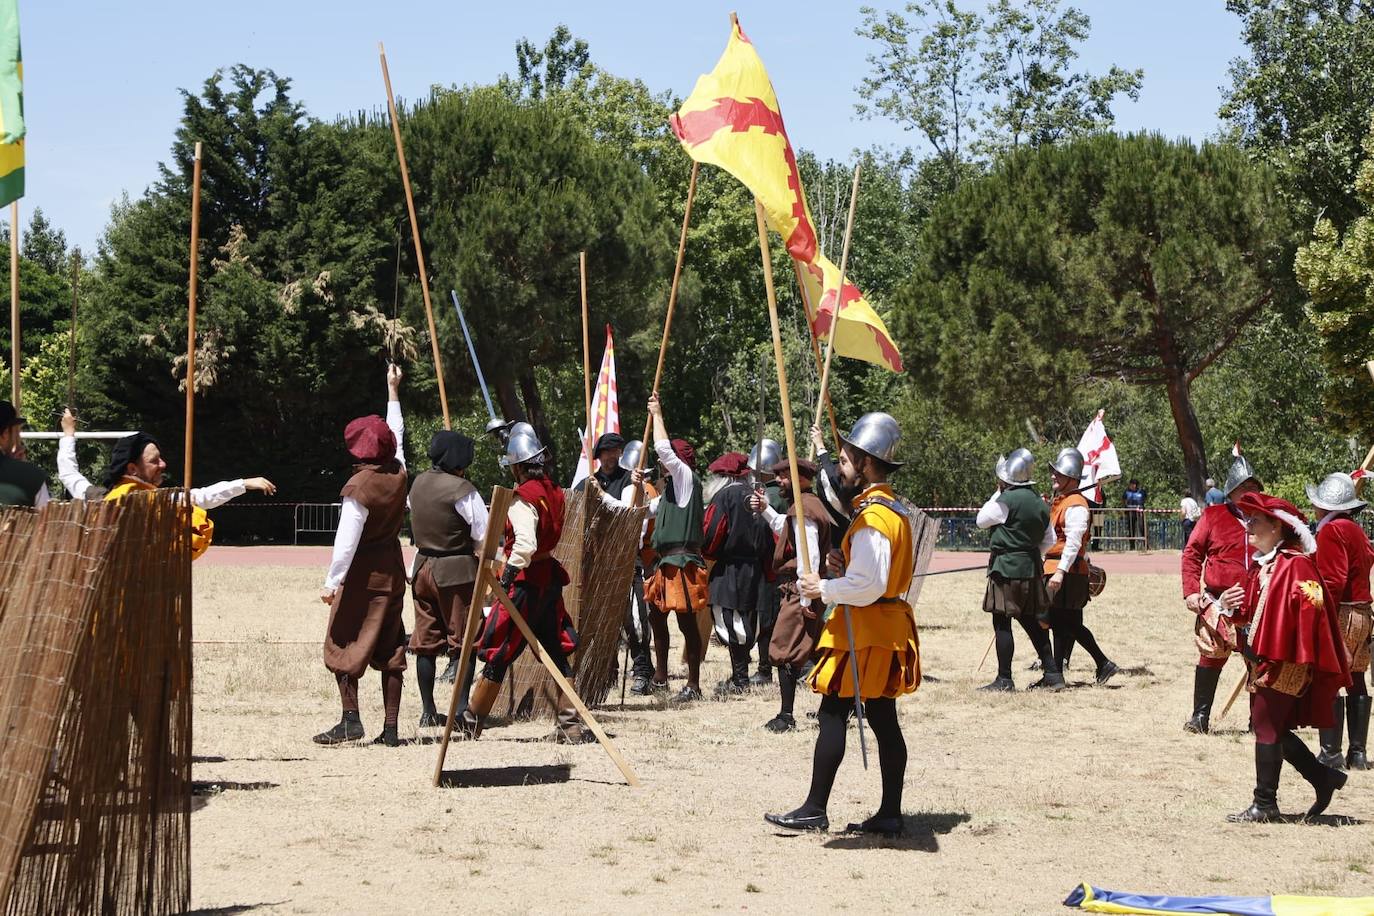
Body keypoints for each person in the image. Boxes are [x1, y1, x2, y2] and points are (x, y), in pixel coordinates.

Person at [764, 412, 918, 836]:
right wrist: (842, 566)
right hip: (879, 627)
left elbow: (868, 585)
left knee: (833, 711)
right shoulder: (888, 510)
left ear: (866, 463)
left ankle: (817, 808)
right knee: (882, 717)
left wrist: (824, 587)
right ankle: (888, 813)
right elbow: (869, 574)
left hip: (867, 628)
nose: (841, 468)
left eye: (847, 460)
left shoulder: (874, 518)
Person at [459, 422, 592, 744]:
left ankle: (471, 720)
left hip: (526, 583)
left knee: (500, 650)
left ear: (518, 467)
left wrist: (505, 579)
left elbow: (524, 546)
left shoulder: (524, 497)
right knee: (557, 652)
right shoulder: (554, 491)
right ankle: (569, 724)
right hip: (547, 582)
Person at [1225, 492, 1350, 822]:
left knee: (1266, 726)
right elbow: (1250, 613)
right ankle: (1324, 778)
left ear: (1277, 528)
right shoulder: (1265, 566)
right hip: (1262, 660)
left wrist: (1284, 646)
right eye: (1248, 519)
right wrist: (1229, 604)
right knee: (1269, 726)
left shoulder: (1296, 565)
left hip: (1285, 661)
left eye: (1255, 521)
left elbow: (1312, 611)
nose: (1248, 526)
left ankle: (1265, 804)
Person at [314, 365, 409, 747]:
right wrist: (393, 390)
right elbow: (397, 436)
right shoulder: (399, 472)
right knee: (391, 645)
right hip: (392, 570)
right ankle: (391, 730)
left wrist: (331, 582)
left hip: (362, 575)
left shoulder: (358, 488)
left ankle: (350, 719)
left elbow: (346, 541)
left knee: (341, 639)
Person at [408, 428, 487, 729]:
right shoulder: (463, 489)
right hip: (455, 572)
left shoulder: (417, 483)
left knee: (425, 642)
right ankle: (461, 710)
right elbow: (482, 531)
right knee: (465, 641)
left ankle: (428, 711)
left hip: (421, 567)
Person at [630, 393, 707, 703]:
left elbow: (663, 447)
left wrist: (657, 414)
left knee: (687, 623)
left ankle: (694, 684)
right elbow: (638, 512)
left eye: (668, 458)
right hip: (663, 564)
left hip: (683, 562)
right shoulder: (668, 491)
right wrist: (636, 486)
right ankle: (660, 677)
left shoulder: (687, 479)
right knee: (657, 619)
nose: (662, 461)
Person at [1179, 454, 1262, 734]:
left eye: (1254, 488)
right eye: (1244, 488)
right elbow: (1192, 554)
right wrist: (1191, 591)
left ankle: (1258, 723)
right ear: (1231, 491)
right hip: (1218, 601)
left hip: (1257, 604)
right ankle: (1200, 717)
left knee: (1259, 662)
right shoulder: (1214, 516)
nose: (1249, 493)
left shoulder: (1267, 520)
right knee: (1211, 656)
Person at [976, 448, 1064, 692]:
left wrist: (998, 492)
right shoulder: (1039, 502)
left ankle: (1004, 678)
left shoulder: (1005, 500)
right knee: (1031, 622)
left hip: (1005, 570)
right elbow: (1049, 540)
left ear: (1006, 479)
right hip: (1031, 568)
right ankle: (1053, 673)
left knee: (1002, 622)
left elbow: (981, 520)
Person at [752, 458, 830, 733]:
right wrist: (766, 511)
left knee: (785, 650)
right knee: (811, 650)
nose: (780, 482)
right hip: (803, 589)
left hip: (802, 591)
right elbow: (789, 535)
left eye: (784, 477)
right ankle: (836, 709)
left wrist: (807, 597)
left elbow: (810, 555)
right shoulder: (804, 507)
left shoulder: (804, 511)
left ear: (800, 479)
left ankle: (786, 716)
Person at [577, 433, 657, 696]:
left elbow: (628, 515)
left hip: (625, 560)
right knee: (598, 623)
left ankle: (643, 671)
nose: (612, 456)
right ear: (598, 455)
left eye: (616, 451)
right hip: (596, 562)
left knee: (635, 620)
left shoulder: (629, 481)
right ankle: (601, 674)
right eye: (607, 451)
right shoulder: (586, 483)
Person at [1307, 473, 1373, 771]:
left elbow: (1332, 581)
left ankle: (1331, 752)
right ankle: (1357, 753)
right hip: (1362, 613)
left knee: (1331, 678)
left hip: (1342, 614)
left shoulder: (1332, 531)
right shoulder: (1355, 530)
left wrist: (1322, 618)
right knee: (1356, 679)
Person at [1045, 448, 1119, 685]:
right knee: (1062, 623)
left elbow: (1073, 543)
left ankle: (1100, 663)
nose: (1053, 476)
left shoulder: (1076, 505)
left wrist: (1060, 572)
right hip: (1062, 570)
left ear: (1071, 478)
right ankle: (1058, 673)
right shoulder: (1064, 501)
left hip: (1069, 572)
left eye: (1058, 473)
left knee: (1066, 623)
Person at [702, 450, 772, 696]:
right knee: (745, 619)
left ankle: (740, 678)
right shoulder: (759, 498)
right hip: (755, 568)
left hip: (729, 567)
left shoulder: (723, 497)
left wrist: (708, 552)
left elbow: (712, 532)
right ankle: (741, 675)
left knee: (729, 621)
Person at [747, 437, 785, 686]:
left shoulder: (769, 497)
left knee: (767, 620)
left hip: (768, 567)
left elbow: (762, 535)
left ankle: (764, 668)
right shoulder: (776, 494)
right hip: (773, 568)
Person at [0, 401, 49, 507]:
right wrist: (19, 469)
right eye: (16, 432)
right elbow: (48, 521)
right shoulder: (32, 476)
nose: (18, 439)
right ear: (5, 434)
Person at [1122, 479, 1146, 547]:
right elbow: (1124, 500)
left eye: (1134, 484)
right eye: (1131, 484)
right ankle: (1132, 545)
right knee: (1131, 529)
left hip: (1139, 512)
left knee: (1142, 528)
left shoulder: (1141, 492)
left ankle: (1145, 544)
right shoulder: (1126, 492)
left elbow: (1144, 500)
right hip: (1130, 513)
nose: (1133, 486)